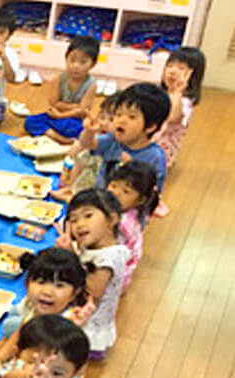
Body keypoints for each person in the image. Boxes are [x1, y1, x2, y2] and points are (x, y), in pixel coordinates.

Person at [56, 189, 129, 360]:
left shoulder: (107, 258)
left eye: (88, 216)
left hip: (87, 330)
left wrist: (70, 257)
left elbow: (92, 293)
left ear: (112, 219)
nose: (80, 224)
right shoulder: (96, 245)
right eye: (74, 220)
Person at [76, 82, 170, 191]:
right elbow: (86, 143)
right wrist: (89, 131)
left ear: (150, 127)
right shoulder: (112, 140)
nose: (121, 120)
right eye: (118, 114)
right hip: (100, 198)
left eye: (131, 117)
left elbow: (152, 193)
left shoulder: (154, 157)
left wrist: (131, 170)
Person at [24, 36, 99, 144]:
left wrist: (61, 114)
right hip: (54, 116)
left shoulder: (91, 84)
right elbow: (53, 103)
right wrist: (75, 107)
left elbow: (82, 112)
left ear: (93, 64)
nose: (76, 66)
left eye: (83, 62)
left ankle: (51, 135)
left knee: (83, 131)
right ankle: (61, 139)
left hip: (73, 121)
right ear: (66, 58)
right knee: (30, 121)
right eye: (72, 60)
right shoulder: (59, 78)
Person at [51, 94, 117, 202]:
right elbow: (79, 155)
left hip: (98, 189)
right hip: (82, 179)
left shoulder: (113, 144)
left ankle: (76, 196)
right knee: (79, 156)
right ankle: (71, 190)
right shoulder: (97, 136)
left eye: (111, 120)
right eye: (102, 117)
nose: (104, 123)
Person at [106, 160, 159, 289]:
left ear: (140, 200)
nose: (116, 193)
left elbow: (105, 252)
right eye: (113, 186)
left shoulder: (122, 225)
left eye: (126, 191)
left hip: (113, 279)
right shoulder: (124, 211)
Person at [155, 46, 206, 169]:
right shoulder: (160, 93)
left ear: (192, 76)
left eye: (181, 68)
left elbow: (172, 118)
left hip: (160, 153)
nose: (172, 71)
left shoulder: (185, 102)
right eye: (170, 66)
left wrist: (177, 91)